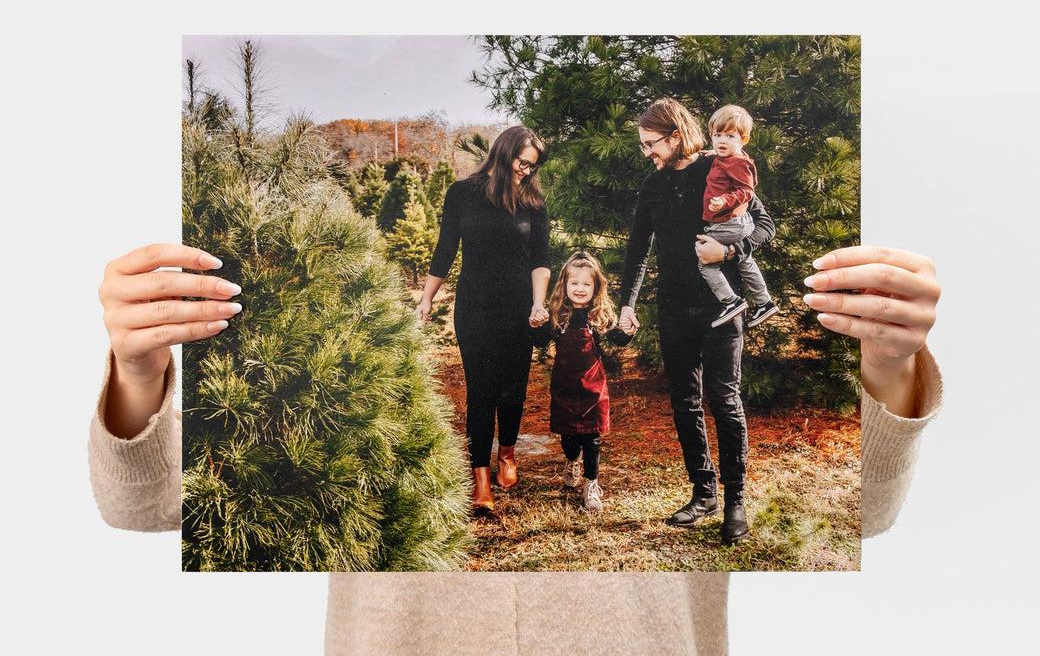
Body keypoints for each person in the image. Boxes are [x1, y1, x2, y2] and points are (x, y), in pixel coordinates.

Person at [91, 241, 941, 654]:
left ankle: (589, 478)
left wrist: (893, 367)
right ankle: (563, 471)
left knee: (594, 435)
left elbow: (868, 509)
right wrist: (138, 368)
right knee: (563, 431)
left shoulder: (655, 273)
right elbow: (137, 505)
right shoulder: (364, 383)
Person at [618, 97, 774, 543]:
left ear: (675, 134)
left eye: (652, 143)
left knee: (724, 401)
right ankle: (703, 493)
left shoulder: (719, 167)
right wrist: (628, 303)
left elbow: (764, 226)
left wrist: (728, 251)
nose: (647, 151)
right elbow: (637, 249)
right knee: (685, 403)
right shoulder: (651, 186)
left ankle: (735, 501)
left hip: (720, 309)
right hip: (672, 308)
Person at [415, 126, 551, 513]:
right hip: (474, 305)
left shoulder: (533, 202)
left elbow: (541, 259)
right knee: (480, 389)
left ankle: (507, 452)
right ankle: (480, 476)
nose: (526, 170)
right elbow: (445, 249)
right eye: (522, 161)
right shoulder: (462, 193)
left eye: (532, 166)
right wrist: (427, 299)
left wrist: (538, 305)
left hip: (519, 306)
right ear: (503, 151)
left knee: (513, 387)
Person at [529, 251, 635, 512]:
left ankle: (591, 485)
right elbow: (541, 341)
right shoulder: (558, 316)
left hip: (593, 388)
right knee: (569, 439)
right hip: (565, 386)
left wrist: (628, 332)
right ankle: (571, 460)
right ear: (564, 286)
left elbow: (617, 340)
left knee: (592, 437)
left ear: (596, 287)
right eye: (574, 283)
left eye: (587, 284)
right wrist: (535, 325)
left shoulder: (599, 317)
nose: (580, 289)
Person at [699, 104, 779, 329]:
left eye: (729, 136)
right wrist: (716, 151)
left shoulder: (738, 162)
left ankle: (730, 301)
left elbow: (746, 191)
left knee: (705, 263)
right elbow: (729, 155)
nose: (721, 141)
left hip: (728, 222)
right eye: (717, 135)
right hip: (739, 224)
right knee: (745, 261)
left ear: (744, 139)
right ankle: (765, 302)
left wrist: (725, 200)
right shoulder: (730, 156)